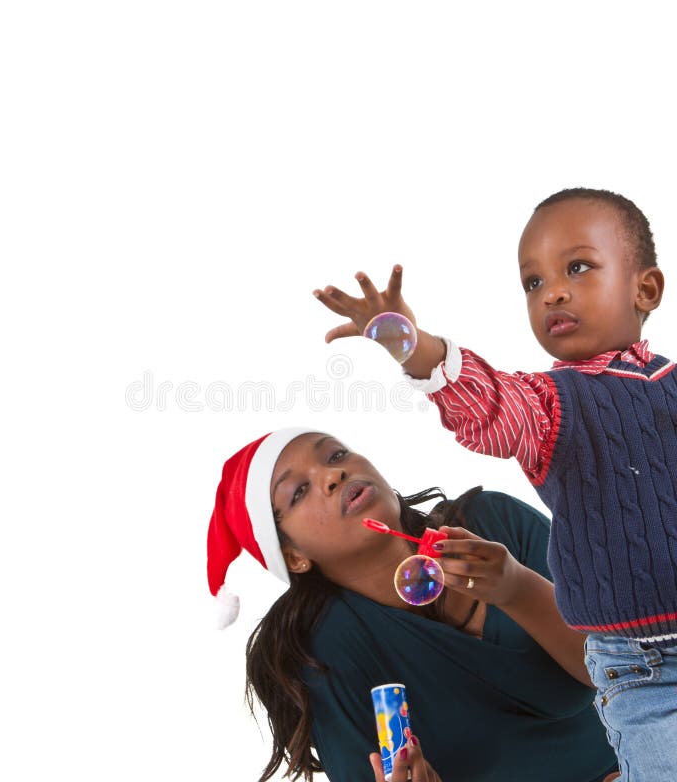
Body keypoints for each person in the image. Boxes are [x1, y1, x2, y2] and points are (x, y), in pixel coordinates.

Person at [313, 188, 677, 781]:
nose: (552, 292)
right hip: (645, 672)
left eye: (577, 268)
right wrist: (409, 343)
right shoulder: (549, 405)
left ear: (646, 289)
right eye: (533, 284)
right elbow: (485, 404)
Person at [207, 427, 619, 782]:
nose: (333, 474)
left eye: (335, 454)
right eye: (299, 492)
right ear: (294, 557)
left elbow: (633, 666)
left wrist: (517, 588)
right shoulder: (324, 652)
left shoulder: (495, 524)